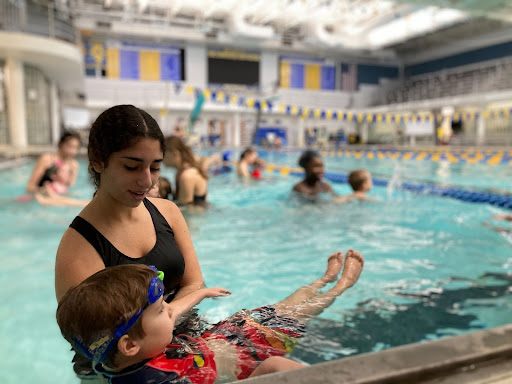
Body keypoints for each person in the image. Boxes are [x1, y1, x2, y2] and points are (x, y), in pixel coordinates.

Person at [55, 105, 206, 382]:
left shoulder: (168, 212)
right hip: (122, 369)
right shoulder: (79, 247)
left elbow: (195, 283)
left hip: (180, 337)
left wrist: (168, 320)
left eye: (155, 167)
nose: (147, 180)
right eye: (131, 166)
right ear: (98, 161)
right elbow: (93, 340)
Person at [57, 250, 364, 383]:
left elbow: (176, 309)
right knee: (297, 313)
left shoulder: (126, 347)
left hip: (228, 334)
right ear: (129, 345)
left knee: (285, 305)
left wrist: (201, 293)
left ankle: (321, 281)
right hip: (253, 350)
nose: (171, 311)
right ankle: (340, 286)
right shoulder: (154, 381)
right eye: (161, 310)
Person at [164, 136, 209, 206]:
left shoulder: (187, 176)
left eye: (164, 154)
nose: (161, 157)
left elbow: (185, 210)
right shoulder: (180, 172)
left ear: (175, 154)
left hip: (197, 215)